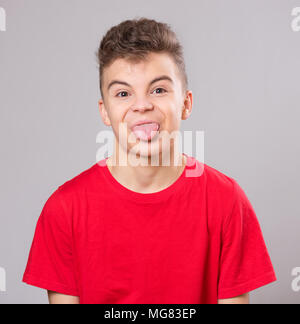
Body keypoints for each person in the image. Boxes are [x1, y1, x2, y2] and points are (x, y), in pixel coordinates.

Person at [22, 17, 276, 304]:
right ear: (105, 112)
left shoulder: (227, 201)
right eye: (123, 93)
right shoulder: (64, 210)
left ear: (186, 103)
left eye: (158, 89)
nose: (142, 105)